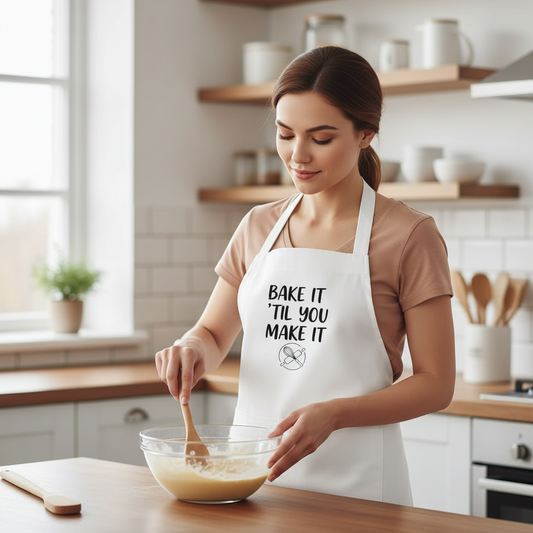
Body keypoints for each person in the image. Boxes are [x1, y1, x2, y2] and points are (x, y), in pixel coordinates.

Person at [155, 46, 455, 505]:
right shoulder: (258, 226)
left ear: (365, 134)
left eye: (321, 138)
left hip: (360, 491)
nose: (298, 155)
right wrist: (192, 349)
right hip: (251, 482)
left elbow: (437, 383)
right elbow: (215, 333)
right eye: (285, 133)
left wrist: (335, 414)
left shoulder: (409, 235)